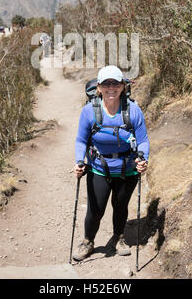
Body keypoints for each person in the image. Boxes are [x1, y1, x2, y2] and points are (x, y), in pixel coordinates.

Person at [73, 65, 149, 261]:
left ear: (123, 86)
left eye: (115, 83)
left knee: (121, 205)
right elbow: (81, 140)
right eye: (106, 83)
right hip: (98, 168)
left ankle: (119, 237)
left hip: (128, 168)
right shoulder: (89, 111)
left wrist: (143, 159)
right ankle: (88, 241)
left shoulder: (133, 110)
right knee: (95, 208)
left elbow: (143, 140)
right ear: (98, 88)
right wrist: (80, 161)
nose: (111, 87)